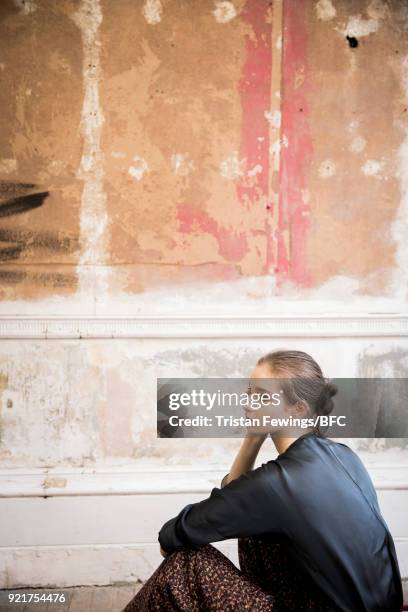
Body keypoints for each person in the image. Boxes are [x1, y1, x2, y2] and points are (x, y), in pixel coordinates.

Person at [122, 350, 404, 612]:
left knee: (186, 565)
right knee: (254, 525)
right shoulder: (343, 455)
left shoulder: (277, 483)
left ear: (298, 409)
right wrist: (253, 438)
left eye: (262, 395)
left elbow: (171, 537)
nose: (248, 403)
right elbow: (234, 499)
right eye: (249, 392)